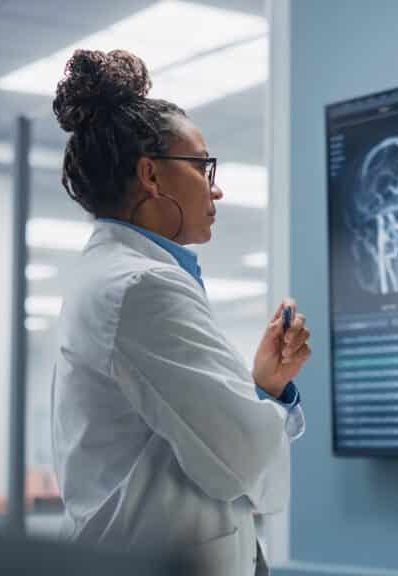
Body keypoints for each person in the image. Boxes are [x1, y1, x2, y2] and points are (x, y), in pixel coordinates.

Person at [50, 49, 311, 575]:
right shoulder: (142, 287)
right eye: (202, 166)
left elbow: (198, 436)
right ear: (151, 174)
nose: (215, 188)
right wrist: (266, 405)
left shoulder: (112, 277)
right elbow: (241, 462)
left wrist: (263, 387)